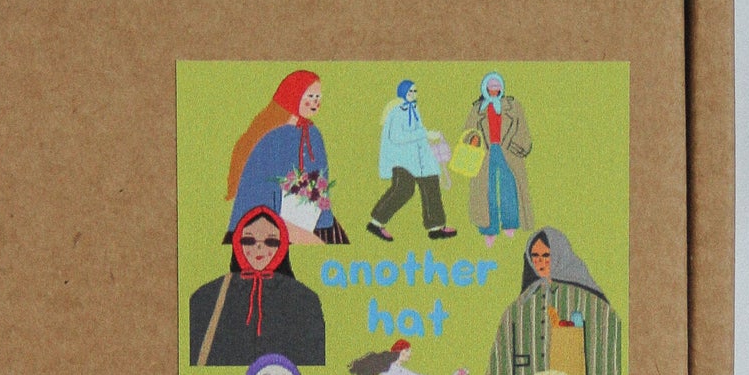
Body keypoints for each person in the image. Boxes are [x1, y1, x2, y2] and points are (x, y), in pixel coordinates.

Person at [190, 207, 327, 368]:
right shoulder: (208, 295)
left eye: (271, 242)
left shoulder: (304, 299)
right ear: (237, 242)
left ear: (283, 245)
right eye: (249, 241)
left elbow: (313, 358)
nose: (259, 247)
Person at [225, 70, 348, 244]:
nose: (316, 102)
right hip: (266, 219)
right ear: (293, 97)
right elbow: (261, 190)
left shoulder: (313, 134)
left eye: (318, 97)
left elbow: (321, 181)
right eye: (311, 96)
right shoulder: (272, 137)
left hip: (309, 217)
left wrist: (321, 218)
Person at [486, 226, 623, 375]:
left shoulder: (588, 300)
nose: (540, 261)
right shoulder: (520, 305)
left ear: (560, 255)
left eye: (546, 255)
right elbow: (501, 352)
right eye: (535, 256)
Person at [367, 79, 456, 242]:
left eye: (415, 91)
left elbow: (417, 132)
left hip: (420, 159)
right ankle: (376, 222)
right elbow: (397, 136)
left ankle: (436, 227)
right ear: (402, 93)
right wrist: (424, 134)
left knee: (431, 184)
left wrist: (428, 136)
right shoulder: (397, 112)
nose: (413, 94)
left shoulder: (414, 109)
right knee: (403, 190)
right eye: (410, 91)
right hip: (403, 160)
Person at [462, 72, 533, 243]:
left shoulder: (512, 106)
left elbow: (522, 127)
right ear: (485, 88)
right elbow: (467, 131)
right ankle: (489, 228)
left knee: (510, 185)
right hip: (485, 152)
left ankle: (511, 223)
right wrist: (472, 140)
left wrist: (519, 145)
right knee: (487, 189)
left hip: (508, 150)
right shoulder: (477, 108)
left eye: (497, 85)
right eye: (491, 86)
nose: (494, 89)